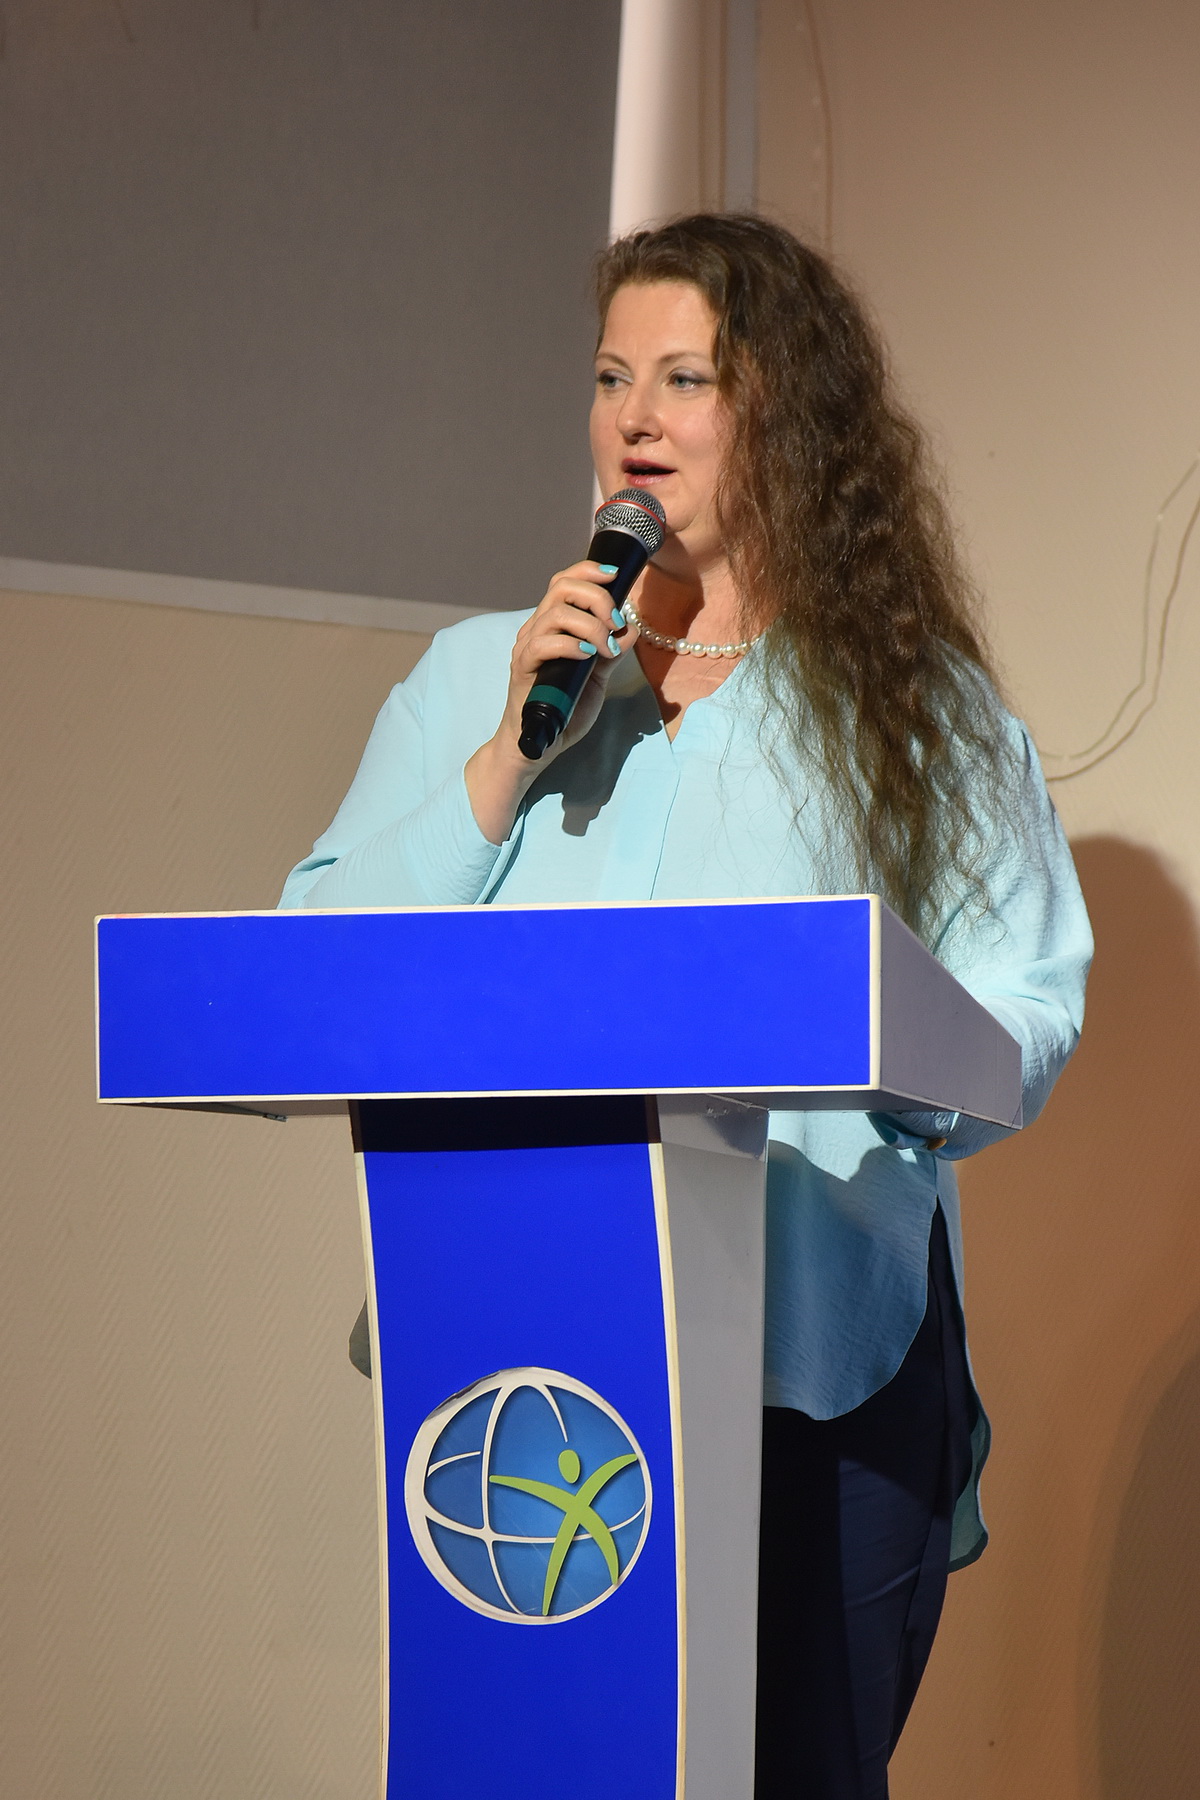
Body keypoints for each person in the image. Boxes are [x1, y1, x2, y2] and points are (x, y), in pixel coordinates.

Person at [280, 214, 1091, 1799]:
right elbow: (315, 968)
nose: (634, 418)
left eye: (685, 378)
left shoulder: (914, 709)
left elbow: (1025, 1004)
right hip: (522, 1358)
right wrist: (508, 758)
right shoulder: (476, 678)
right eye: (609, 378)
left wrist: (886, 1055)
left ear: (788, 413)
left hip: (820, 1355)